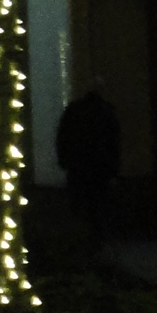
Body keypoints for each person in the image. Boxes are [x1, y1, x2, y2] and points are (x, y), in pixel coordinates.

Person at [55, 72, 124, 259]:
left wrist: (64, 160)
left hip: (78, 167)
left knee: (79, 207)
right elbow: (114, 144)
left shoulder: (73, 110)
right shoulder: (107, 112)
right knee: (98, 208)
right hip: (100, 169)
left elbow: (63, 137)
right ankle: (97, 245)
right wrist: (114, 170)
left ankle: (80, 244)